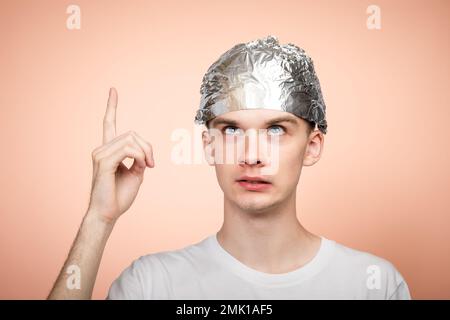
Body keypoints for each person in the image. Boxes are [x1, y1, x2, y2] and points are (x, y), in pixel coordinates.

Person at [48, 36, 411, 300]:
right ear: (209, 146)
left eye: (275, 130)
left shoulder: (372, 284)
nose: (252, 155)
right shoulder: (152, 285)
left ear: (312, 146)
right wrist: (98, 219)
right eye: (232, 130)